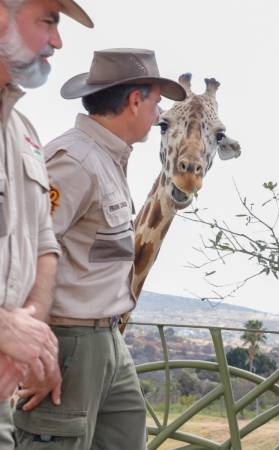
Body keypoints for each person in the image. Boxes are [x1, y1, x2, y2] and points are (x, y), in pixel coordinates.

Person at [13, 48, 186, 450]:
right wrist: (34, 348)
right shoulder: (73, 160)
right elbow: (23, 254)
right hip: (68, 339)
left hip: (108, 338)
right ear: (134, 100)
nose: (158, 112)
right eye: (156, 101)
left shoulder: (108, 159)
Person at [0, 1, 92, 448]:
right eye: (49, 21)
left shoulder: (25, 132)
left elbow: (44, 245)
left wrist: (31, 334)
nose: (57, 41)